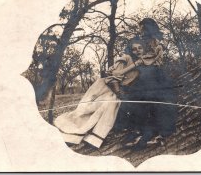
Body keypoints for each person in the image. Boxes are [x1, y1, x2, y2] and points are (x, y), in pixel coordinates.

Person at [53, 38, 145, 149]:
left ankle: (93, 138)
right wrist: (119, 92)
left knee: (106, 109)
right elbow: (115, 75)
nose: (138, 51)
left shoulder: (141, 64)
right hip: (107, 87)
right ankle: (78, 133)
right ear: (130, 51)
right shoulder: (126, 58)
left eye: (140, 48)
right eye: (134, 49)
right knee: (90, 109)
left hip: (118, 89)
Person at [114, 18, 178, 150]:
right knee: (138, 95)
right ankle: (141, 130)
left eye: (143, 29)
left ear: (150, 29)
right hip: (141, 72)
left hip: (156, 74)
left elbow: (152, 60)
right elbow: (131, 57)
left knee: (157, 97)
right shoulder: (139, 42)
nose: (141, 32)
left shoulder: (157, 42)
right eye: (140, 29)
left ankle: (154, 131)